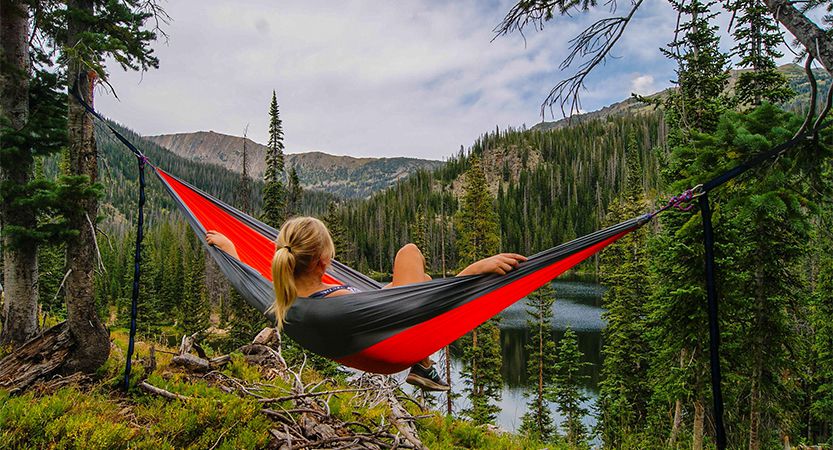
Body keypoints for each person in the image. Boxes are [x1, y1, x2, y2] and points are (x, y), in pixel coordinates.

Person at [206, 216, 526, 392]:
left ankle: (425, 365)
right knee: (409, 252)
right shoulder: (337, 304)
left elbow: (249, 278)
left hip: (368, 331)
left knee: (422, 278)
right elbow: (422, 309)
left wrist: (231, 250)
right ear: (323, 261)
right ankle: (422, 363)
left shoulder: (281, 297)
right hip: (390, 347)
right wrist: (472, 273)